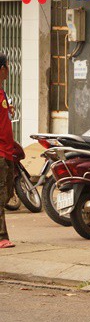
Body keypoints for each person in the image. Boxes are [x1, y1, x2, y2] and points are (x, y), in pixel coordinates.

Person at [0, 53, 15, 249]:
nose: (9, 69)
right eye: (8, 66)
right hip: (0, 152)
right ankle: (1, 236)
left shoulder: (2, 93)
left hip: (7, 149)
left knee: (8, 192)